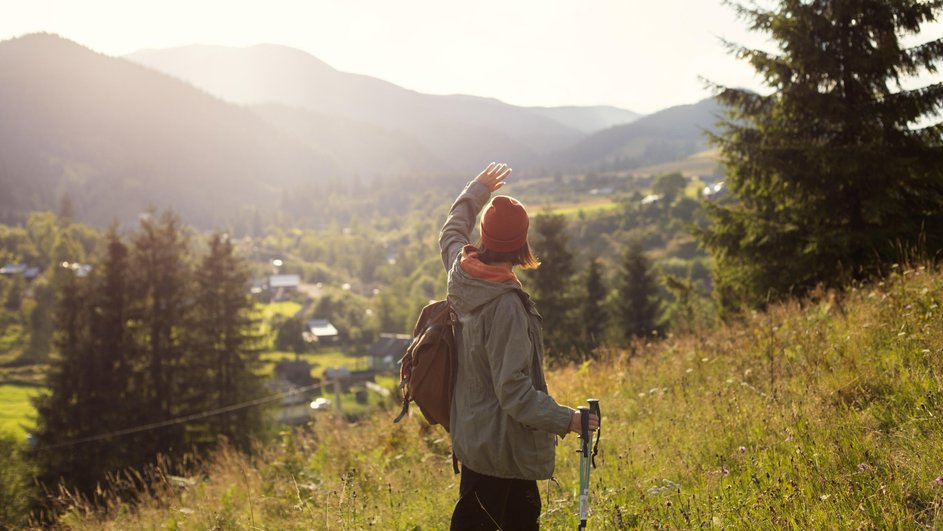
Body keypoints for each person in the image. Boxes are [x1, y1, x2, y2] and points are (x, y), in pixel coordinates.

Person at [440, 162, 599, 531]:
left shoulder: (460, 271)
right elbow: (513, 392)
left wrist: (478, 189)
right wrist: (569, 420)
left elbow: (450, 230)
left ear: (484, 237)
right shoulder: (506, 307)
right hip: (500, 449)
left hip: (480, 439)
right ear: (522, 243)